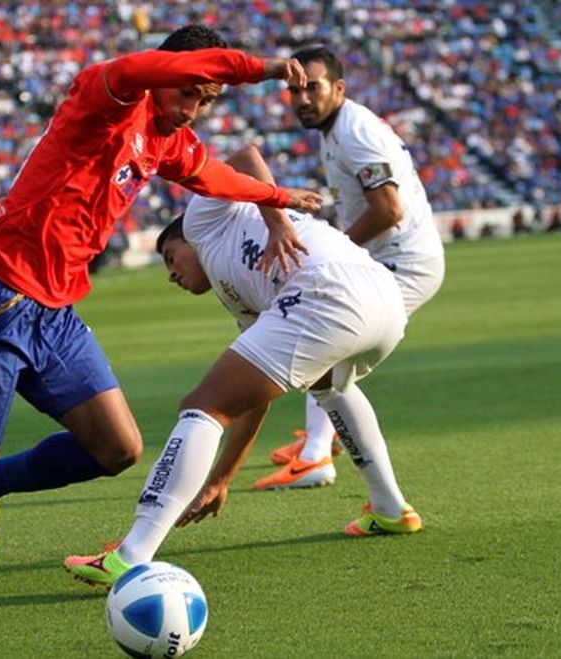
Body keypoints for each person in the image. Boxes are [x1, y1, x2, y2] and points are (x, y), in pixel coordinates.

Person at [0, 25, 322, 635]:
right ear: (163, 71)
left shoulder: (166, 139)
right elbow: (165, 77)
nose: (193, 108)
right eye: (190, 92)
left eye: (206, 100)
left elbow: (217, 178)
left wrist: (280, 196)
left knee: (117, 448)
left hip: (55, 312)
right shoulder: (108, 94)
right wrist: (267, 67)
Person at [64, 144, 422, 588]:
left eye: (169, 257)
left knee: (200, 405)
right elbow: (253, 401)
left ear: (183, 240)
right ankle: (390, 508)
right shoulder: (243, 300)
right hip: (380, 302)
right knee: (330, 387)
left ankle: (131, 554)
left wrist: (277, 220)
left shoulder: (204, 220)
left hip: (329, 290)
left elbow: (245, 155)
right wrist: (222, 479)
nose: (171, 274)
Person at [256, 45, 445, 490]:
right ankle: (321, 439)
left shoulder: (355, 131)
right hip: (390, 257)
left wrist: (336, 247)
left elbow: (388, 209)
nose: (302, 99)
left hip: (403, 261)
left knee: (328, 346)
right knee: (329, 346)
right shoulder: (338, 127)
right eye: (294, 90)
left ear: (338, 88)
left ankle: (317, 455)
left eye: (312, 88)